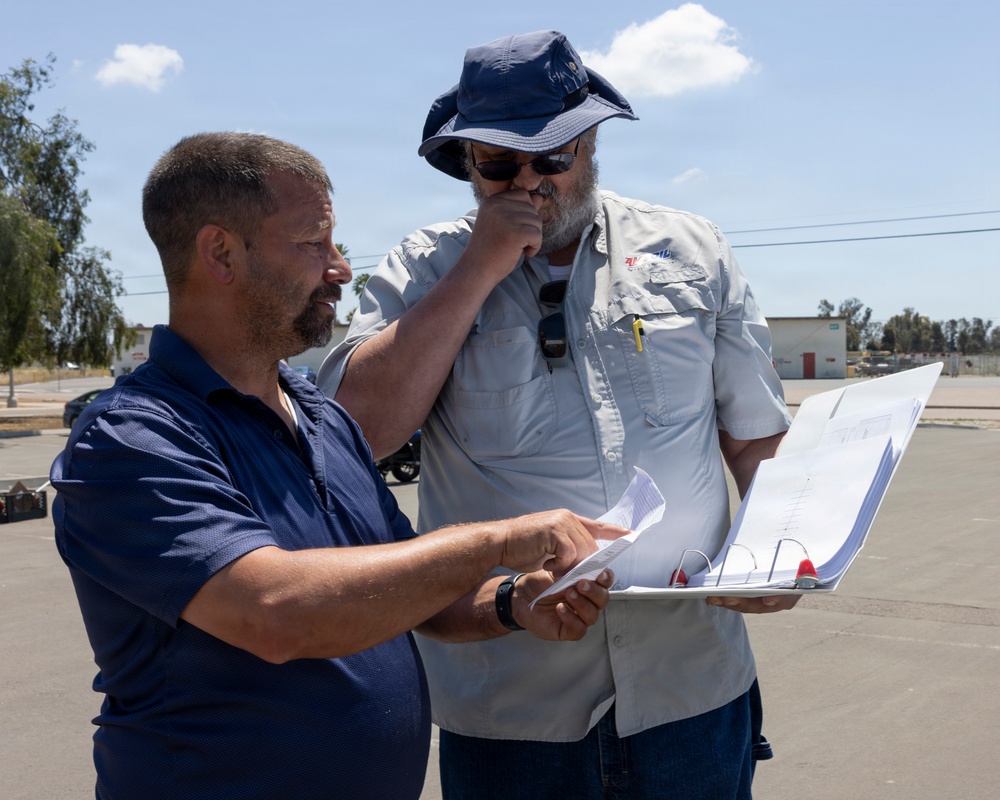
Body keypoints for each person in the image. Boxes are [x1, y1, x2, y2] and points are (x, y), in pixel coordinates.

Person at [50, 131, 627, 800]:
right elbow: (277, 613)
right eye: (313, 243)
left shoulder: (319, 416)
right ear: (220, 253)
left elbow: (411, 591)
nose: (341, 270)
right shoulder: (132, 437)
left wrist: (512, 599)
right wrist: (497, 541)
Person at [319, 30, 799, 799]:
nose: (528, 183)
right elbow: (355, 434)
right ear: (467, 163)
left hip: (690, 687)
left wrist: (778, 548)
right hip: (512, 708)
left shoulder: (691, 249)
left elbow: (755, 438)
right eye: (498, 164)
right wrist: (479, 268)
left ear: (591, 143)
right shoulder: (425, 267)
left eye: (550, 158)